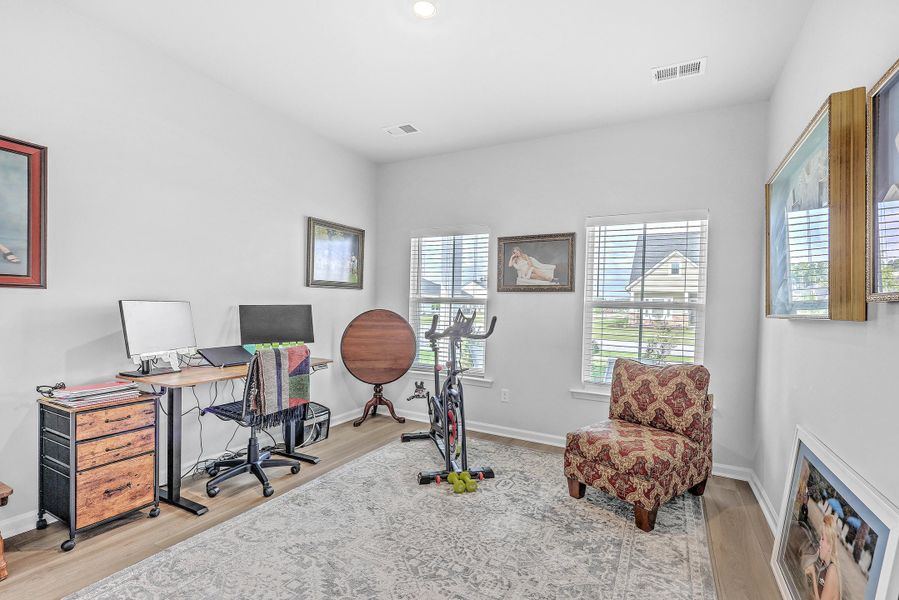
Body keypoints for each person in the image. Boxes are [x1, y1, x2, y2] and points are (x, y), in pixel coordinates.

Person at [805, 513, 842, 600]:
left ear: (830, 545)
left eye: (822, 539)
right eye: (820, 538)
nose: (819, 542)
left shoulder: (831, 571)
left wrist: (813, 574)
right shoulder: (824, 564)